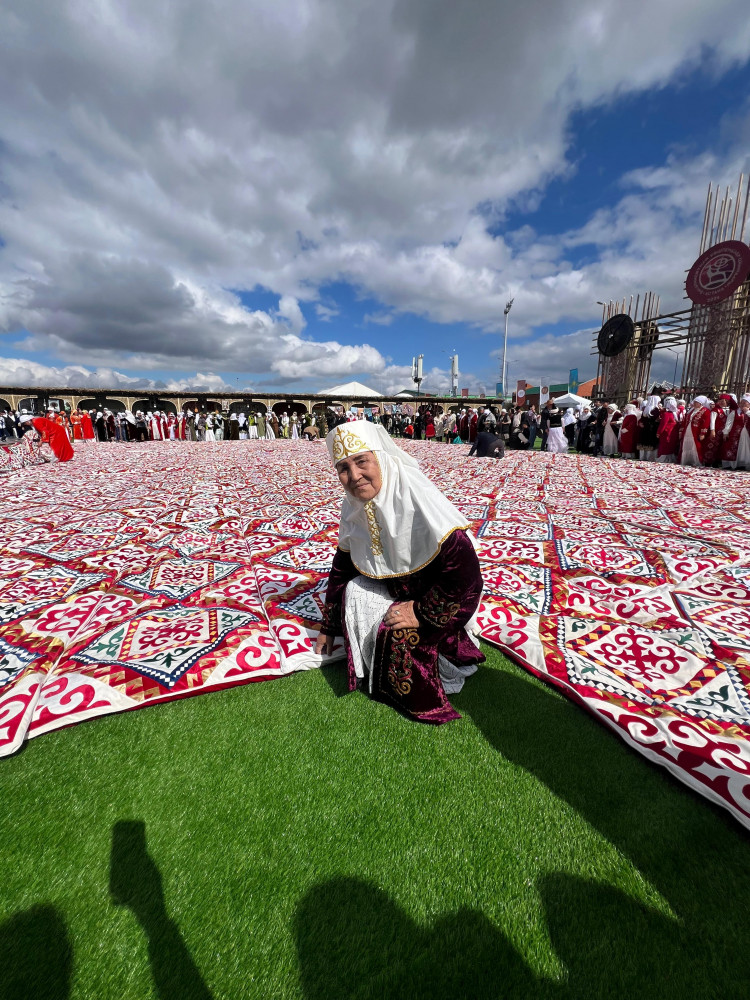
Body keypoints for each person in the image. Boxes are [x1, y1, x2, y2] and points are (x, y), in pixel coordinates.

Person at [314, 421, 484, 724]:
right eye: (343, 468)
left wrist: (421, 612)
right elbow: (342, 566)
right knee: (354, 592)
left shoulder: (417, 497)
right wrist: (328, 626)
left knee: (399, 637)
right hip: (397, 587)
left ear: (381, 458)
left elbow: (467, 575)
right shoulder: (353, 504)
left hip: (437, 597)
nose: (354, 477)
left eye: (362, 461)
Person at [680, 396, 711, 467]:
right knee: (686, 444)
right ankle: (686, 460)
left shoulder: (706, 411)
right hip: (688, 430)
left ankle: (696, 461)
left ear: (701, 403)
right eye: (694, 402)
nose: (694, 403)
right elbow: (685, 421)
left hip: (696, 431)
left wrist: (703, 433)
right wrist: (681, 431)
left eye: (696, 402)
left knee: (696, 446)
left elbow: (706, 423)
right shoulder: (691, 410)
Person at [656, 397, 680, 463]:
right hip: (673, 433)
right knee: (671, 447)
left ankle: (663, 459)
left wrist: (658, 432)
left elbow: (663, 424)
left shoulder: (666, 414)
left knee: (664, 447)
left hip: (666, 433)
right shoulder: (675, 414)